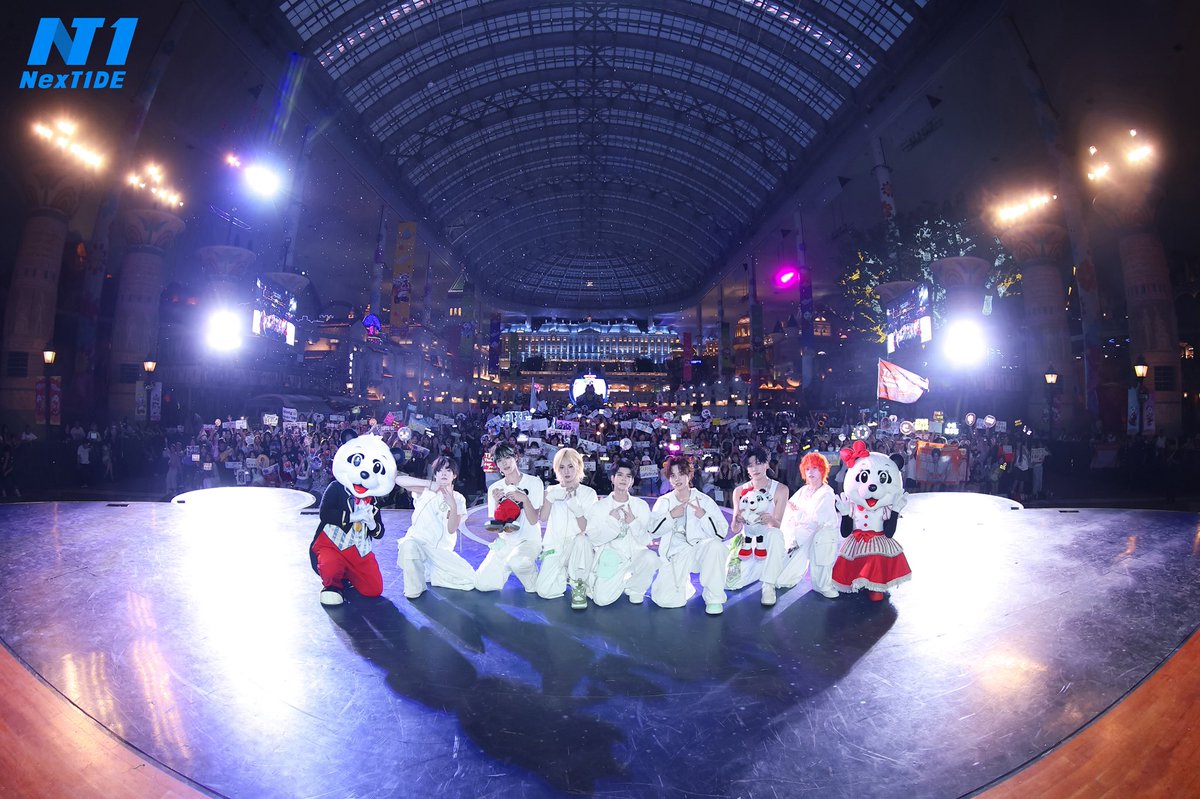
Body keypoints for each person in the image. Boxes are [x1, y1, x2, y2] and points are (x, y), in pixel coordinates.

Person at [648, 457, 730, 615]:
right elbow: (653, 530)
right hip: (674, 555)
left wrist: (703, 516)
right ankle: (682, 583)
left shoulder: (703, 500)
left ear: (689, 475)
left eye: (681, 474)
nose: (677, 479)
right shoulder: (664, 501)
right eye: (672, 475)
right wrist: (671, 515)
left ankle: (714, 598)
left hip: (697, 551)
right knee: (665, 601)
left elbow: (721, 532)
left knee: (715, 547)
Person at [761, 452, 841, 606]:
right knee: (783, 578)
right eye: (808, 468)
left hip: (821, 533)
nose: (811, 472)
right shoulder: (804, 490)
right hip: (800, 533)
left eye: (815, 468)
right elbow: (790, 508)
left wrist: (798, 515)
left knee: (821, 559)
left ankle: (824, 585)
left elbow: (816, 518)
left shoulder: (826, 492)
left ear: (822, 470)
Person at [397, 456, 476, 599]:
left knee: (469, 580)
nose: (444, 473)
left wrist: (452, 506)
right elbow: (399, 480)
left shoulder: (458, 498)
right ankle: (416, 586)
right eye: (440, 470)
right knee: (408, 546)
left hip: (440, 551)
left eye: (448, 470)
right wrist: (430, 484)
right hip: (418, 543)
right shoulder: (425, 491)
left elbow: (452, 529)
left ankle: (432, 573)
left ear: (455, 475)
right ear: (435, 474)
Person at [582, 459, 658, 605]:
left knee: (650, 557)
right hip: (611, 556)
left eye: (628, 476)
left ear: (632, 481)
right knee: (601, 600)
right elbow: (594, 539)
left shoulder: (641, 506)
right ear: (612, 478)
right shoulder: (599, 507)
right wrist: (611, 523)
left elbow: (645, 540)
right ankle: (616, 581)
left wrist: (633, 523)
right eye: (620, 475)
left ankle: (635, 589)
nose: (624, 479)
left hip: (635, 553)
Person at [474, 442, 544, 593]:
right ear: (496, 465)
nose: (504, 463)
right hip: (506, 540)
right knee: (482, 584)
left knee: (519, 564)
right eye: (499, 460)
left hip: (529, 539)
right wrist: (499, 504)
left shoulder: (534, 482)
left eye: (507, 457)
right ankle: (507, 562)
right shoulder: (495, 488)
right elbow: (497, 528)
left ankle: (532, 576)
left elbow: (533, 520)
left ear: (516, 457)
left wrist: (524, 499)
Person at [536, 447, 598, 608]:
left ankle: (579, 583)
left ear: (578, 466)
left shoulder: (588, 493)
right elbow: (542, 518)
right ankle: (566, 574)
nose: (566, 472)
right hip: (555, 546)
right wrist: (549, 498)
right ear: (556, 470)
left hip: (578, 548)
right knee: (544, 591)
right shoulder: (551, 490)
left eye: (570, 466)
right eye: (561, 467)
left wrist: (576, 509)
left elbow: (586, 528)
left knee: (581, 539)